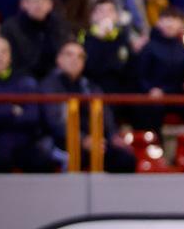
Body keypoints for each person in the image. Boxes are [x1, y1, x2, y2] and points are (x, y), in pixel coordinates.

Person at [40, 41, 138, 172]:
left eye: (80, 56)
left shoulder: (90, 86)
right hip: (61, 143)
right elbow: (55, 123)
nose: (75, 60)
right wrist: (83, 140)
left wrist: (112, 136)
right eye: (69, 54)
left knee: (124, 159)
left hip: (94, 141)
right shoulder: (49, 86)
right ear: (59, 59)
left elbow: (105, 114)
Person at [0, 36, 57, 173]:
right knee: (0, 160)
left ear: (10, 57)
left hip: (24, 143)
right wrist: (12, 109)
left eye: (4, 51)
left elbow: (32, 116)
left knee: (43, 161)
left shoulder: (24, 81)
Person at [0, 0, 71, 80]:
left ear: (50, 4)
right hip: (20, 81)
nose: (39, 3)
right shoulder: (10, 28)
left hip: (54, 81)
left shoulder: (60, 26)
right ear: (23, 3)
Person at [81, 0, 142, 96]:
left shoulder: (123, 38)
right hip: (93, 92)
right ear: (92, 16)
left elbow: (130, 70)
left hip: (119, 94)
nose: (105, 15)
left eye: (110, 11)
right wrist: (98, 39)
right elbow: (89, 67)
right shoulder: (85, 37)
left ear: (116, 16)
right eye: (100, 11)